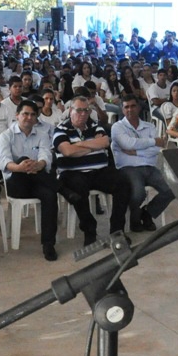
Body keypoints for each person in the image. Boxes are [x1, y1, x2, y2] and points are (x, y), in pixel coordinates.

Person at [53, 95, 129, 246]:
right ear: (70, 110)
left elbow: (105, 142)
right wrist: (92, 144)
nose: (82, 114)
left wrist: (78, 146)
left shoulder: (95, 126)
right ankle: (89, 229)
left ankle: (116, 230)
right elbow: (67, 152)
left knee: (123, 182)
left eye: (86, 111)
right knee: (78, 187)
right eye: (79, 110)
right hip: (72, 172)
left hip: (98, 170)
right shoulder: (60, 129)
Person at [0, 100, 60, 261]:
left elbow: (46, 155)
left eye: (32, 114)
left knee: (50, 196)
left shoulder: (41, 135)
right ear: (17, 115)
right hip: (16, 183)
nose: (29, 117)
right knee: (24, 159)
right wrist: (21, 167)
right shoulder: (6, 136)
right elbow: (4, 162)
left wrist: (39, 164)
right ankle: (62, 187)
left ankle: (48, 244)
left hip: (37, 182)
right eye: (25, 114)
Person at [111, 95, 174, 232]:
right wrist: (152, 142)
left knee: (171, 190)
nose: (130, 110)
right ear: (122, 109)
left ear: (139, 107)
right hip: (128, 168)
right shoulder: (117, 127)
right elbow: (128, 144)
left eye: (133, 106)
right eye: (126, 107)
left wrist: (136, 152)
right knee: (139, 193)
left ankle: (147, 213)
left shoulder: (149, 126)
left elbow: (157, 150)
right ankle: (135, 220)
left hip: (149, 167)